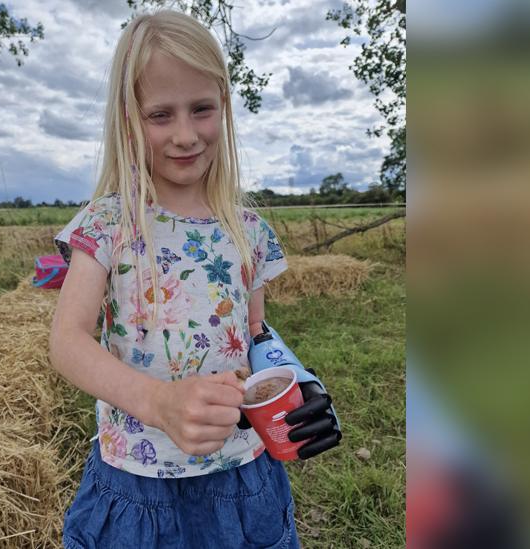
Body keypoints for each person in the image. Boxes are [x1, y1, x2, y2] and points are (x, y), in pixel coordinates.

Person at [50, 10, 335, 548]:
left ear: (224, 106)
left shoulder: (247, 229)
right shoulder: (109, 222)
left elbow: (256, 335)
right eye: (161, 115)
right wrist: (158, 403)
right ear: (129, 118)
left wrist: (299, 387)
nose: (185, 135)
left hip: (242, 482)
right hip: (137, 485)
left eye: (201, 109)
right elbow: (66, 342)